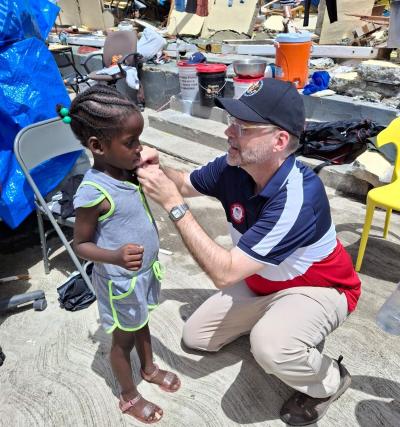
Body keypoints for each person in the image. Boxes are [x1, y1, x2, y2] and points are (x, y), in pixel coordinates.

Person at [137, 78, 361, 426]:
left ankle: (329, 378)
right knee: (195, 338)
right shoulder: (234, 166)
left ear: (279, 140)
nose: (229, 132)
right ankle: (278, 325)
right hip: (264, 280)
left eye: (243, 127)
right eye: (232, 123)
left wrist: (174, 206)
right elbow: (184, 183)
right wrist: (157, 165)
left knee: (270, 347)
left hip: (321, 289)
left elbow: (224, 272)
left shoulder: (297, 197)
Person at [65, 86, 180, 424]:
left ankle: (148, 368)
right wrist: (114, 256)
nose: (139, 148)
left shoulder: (128, 172)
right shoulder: (93, 192)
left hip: (143, 276)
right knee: (122, 341)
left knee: (143, 324)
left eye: (138, 139)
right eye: (131, 142)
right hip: (120, 283)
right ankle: (128, 394)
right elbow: (80, 245)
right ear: (98, 147)